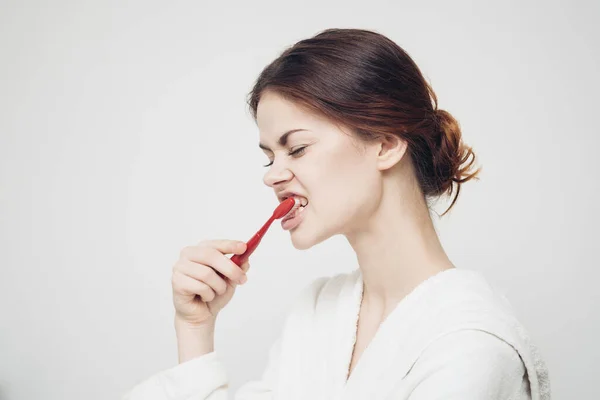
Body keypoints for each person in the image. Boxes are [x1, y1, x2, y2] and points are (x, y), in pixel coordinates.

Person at [123, 28, 551, 399]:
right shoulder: (319, 311)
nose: (273, 175)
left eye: (298, 148)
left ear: (385, 144)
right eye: (269, 156)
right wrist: (195, 326)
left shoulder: (470, 346)